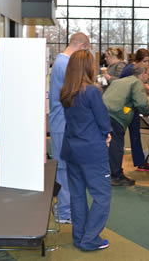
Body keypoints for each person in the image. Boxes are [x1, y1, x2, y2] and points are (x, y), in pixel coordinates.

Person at [60, 50, 112, 251]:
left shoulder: (65, 91)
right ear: (88, 67)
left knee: (78, 195)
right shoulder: (91, 91)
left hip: (72, 149)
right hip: (91, 151)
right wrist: (106, 133)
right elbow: (103, 121)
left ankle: (80, 236)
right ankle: (90, 239)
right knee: (102, 195)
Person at [49, 32, 90, 224]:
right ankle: (64, 212)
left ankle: (64, 208)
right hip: (62, 123)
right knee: (64, 169)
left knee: (65, 168)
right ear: (81, 46)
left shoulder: (60, 61)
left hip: (61, 122)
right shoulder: (65, 64)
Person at [103, 64, 149, 186]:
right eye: (148, 74)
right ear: (142, 74)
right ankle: (117, 176)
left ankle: (109, 174)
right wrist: (147, 112)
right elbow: (141, 103)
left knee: (109, 147)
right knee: (117, 147)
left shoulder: (120, 81)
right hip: (116, 117)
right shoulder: (137, 83)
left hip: (102, 113)